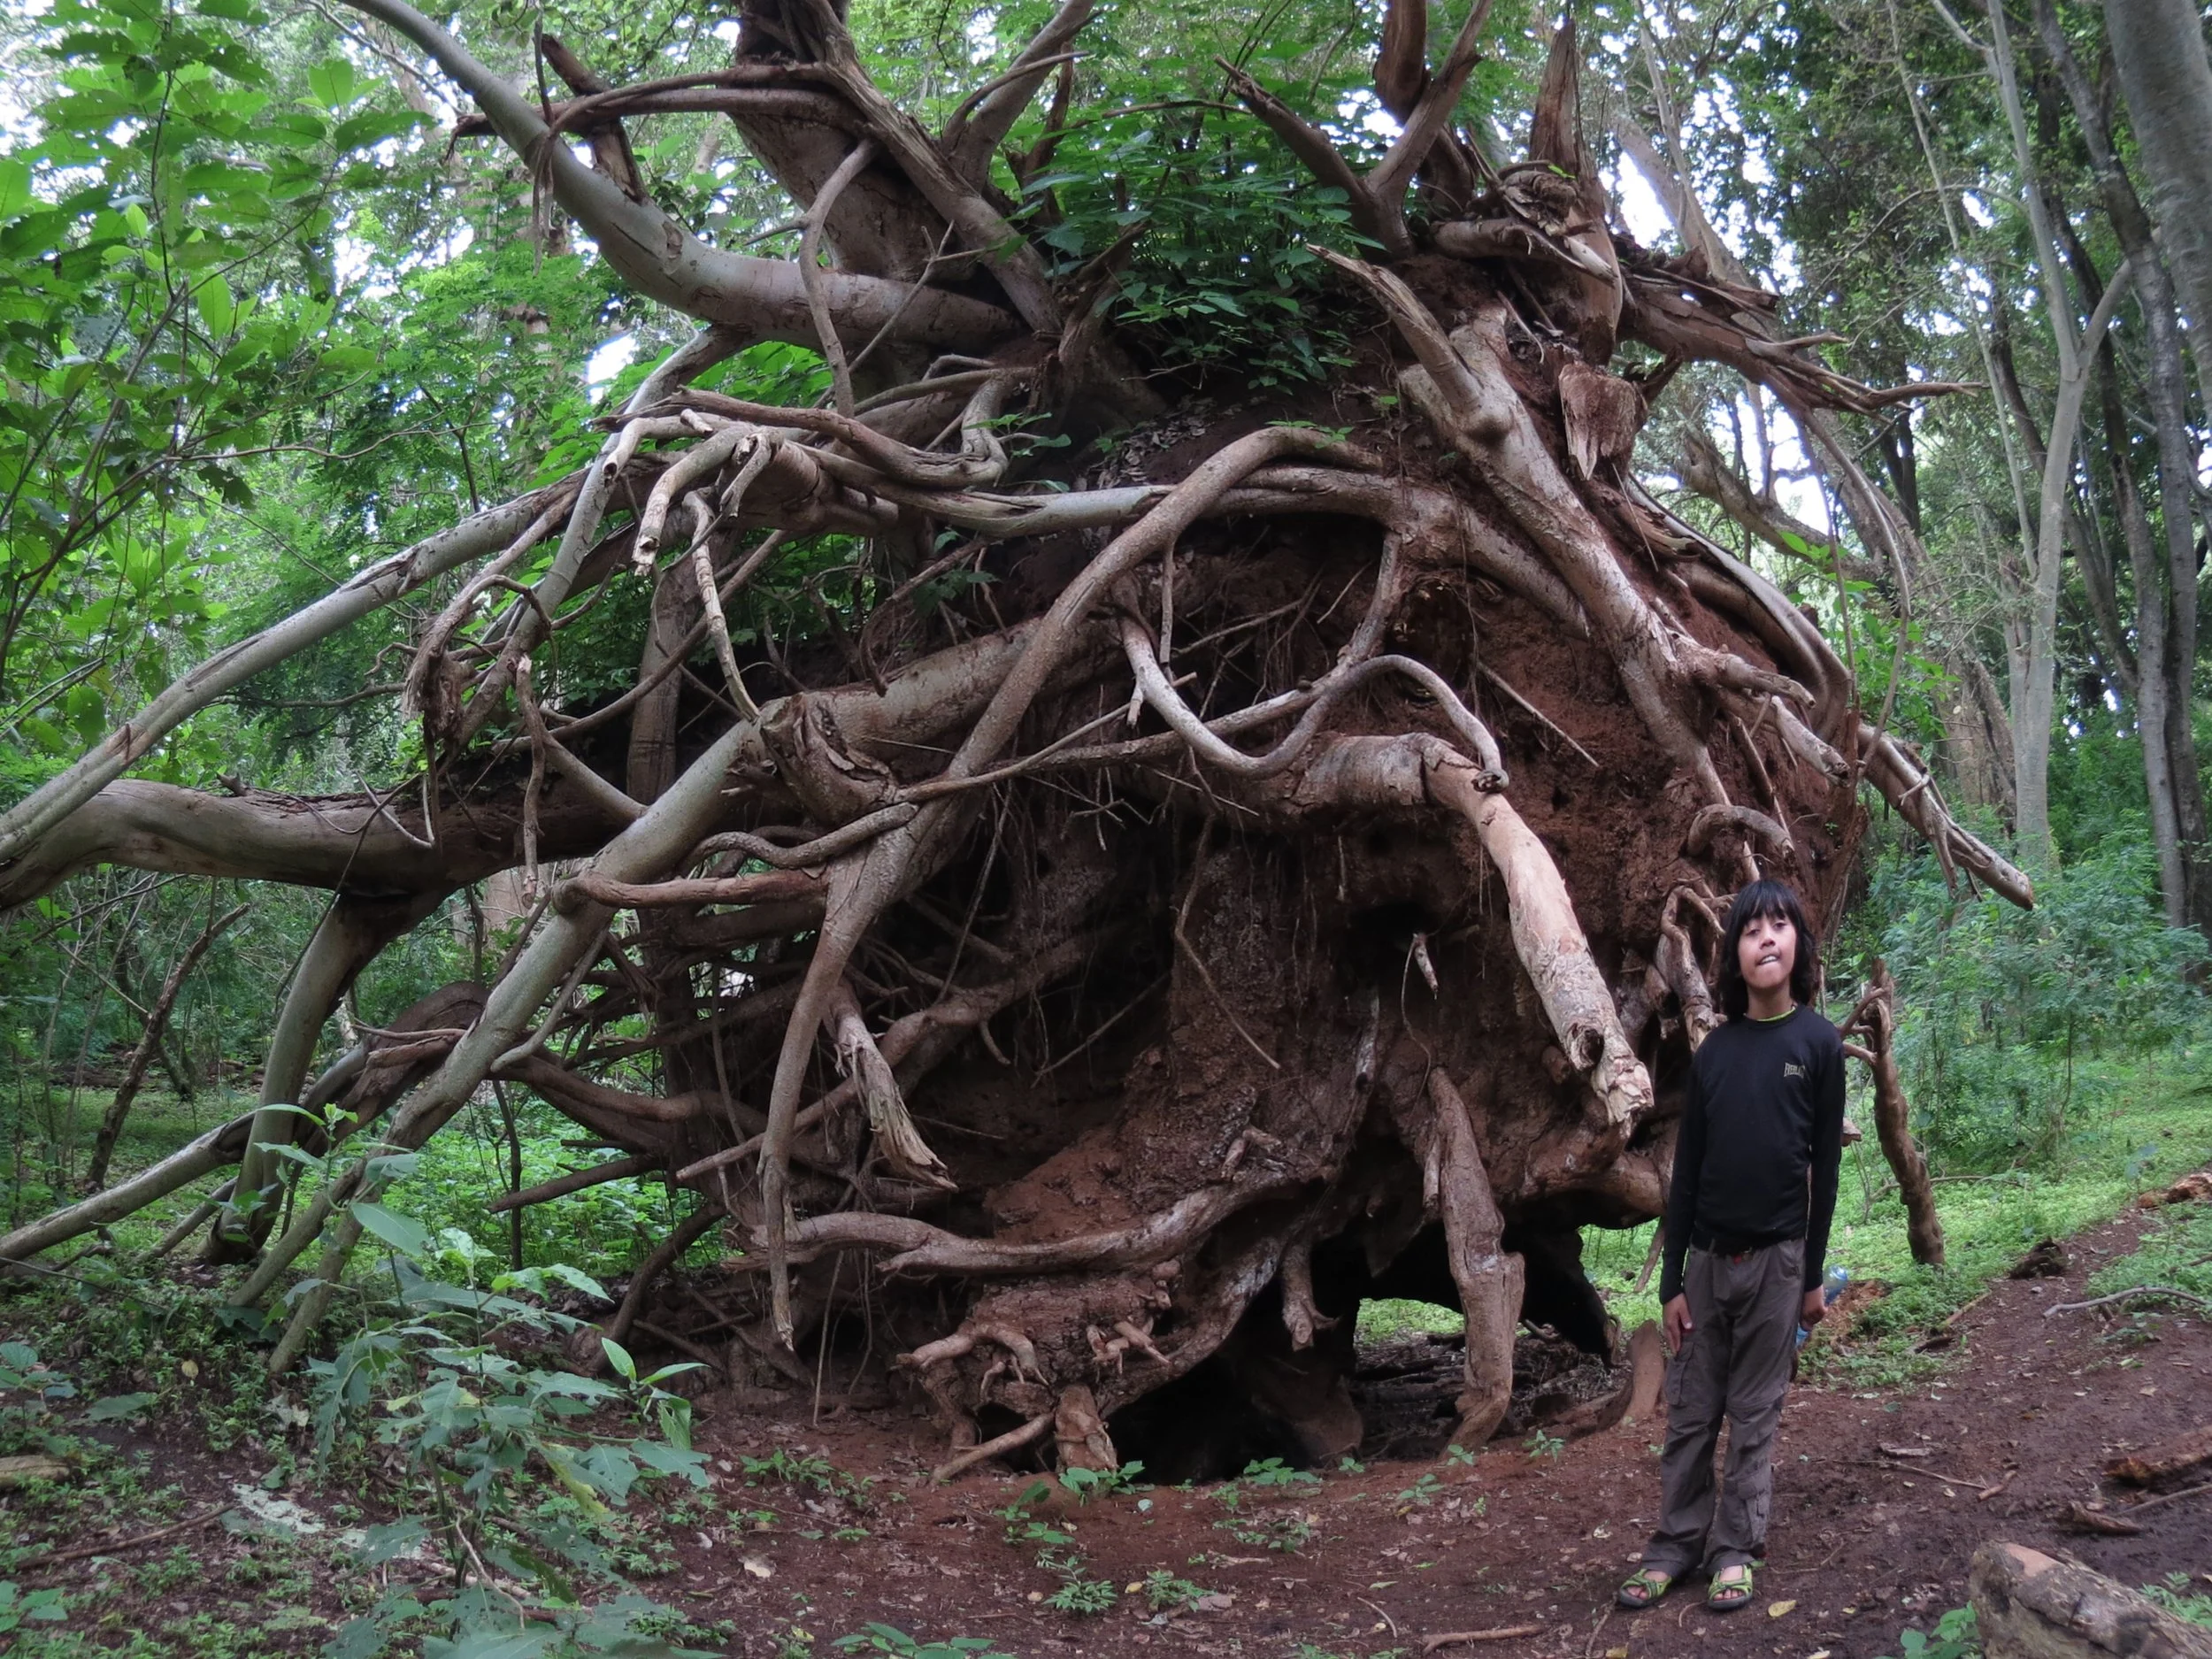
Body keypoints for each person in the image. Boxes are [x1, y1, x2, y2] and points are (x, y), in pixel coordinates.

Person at [1616, 878, 1845, 1615]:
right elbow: (1684, 1179)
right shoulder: (1715, 1055)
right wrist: (1671, 1280)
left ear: (1799, 947)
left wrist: (1812, 1276)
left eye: (1781, 925)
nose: (1767, 938)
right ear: (1735, 954)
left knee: (1754, 1414)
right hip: (1710, 1263)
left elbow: (1826, 1171)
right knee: (1690, 1413)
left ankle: (1735, 1548)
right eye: (1752, 929)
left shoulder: (1818, 1044)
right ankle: (1674, 1544)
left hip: (1778, 1262)